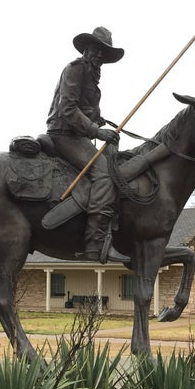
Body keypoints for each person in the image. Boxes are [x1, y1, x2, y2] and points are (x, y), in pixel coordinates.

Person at [46, 27, 130, 263]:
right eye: (97, 50)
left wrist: (97, 118)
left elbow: (83, 108)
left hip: (78, 134)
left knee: (113, 162)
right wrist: (96, 131)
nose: (100, 56)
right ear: (87, 49)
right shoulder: (75, 70)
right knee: (104, 173)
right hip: (64, 134)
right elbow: (68, 109)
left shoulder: (91, 75)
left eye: (104, 53)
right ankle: (95, 243)